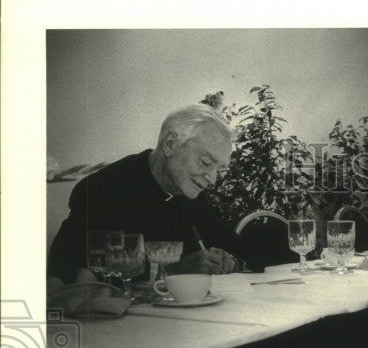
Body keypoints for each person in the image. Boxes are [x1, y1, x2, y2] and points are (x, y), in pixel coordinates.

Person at [48, 104, 245, 284]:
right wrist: (176, 269)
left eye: (219, 169)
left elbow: (230, 243)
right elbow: (70, 274)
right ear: (169, 144)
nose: (212, 178)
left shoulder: (188, 190)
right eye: (205, 162)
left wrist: (227, 261)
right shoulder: (103, 189)